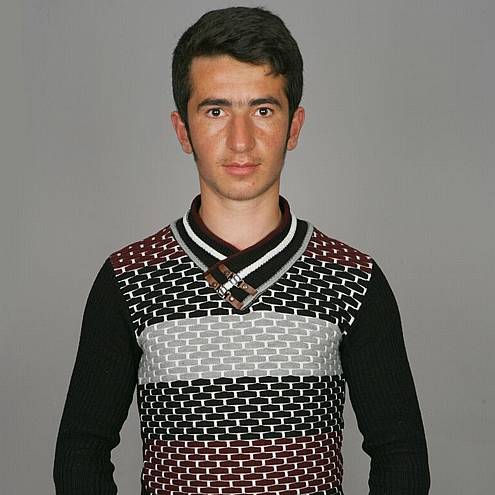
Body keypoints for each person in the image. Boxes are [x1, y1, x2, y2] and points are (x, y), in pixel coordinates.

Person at [53, 6, 430, 495]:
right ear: (182, 130)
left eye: (263, 110)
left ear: (294, 127)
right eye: (216, 111)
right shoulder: (128, 279)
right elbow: (80, 453)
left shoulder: (353, 280)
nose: (240, 141)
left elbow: (401, 457)